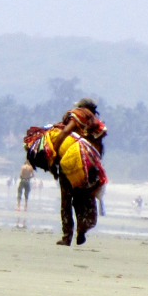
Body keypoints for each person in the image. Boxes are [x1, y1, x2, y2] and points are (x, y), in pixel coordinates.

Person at [47, 98, 107, 246]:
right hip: (89, 166)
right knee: (84, 199)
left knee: (66, 200)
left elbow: (66, 131)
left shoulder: (77, 115)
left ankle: (67, 236)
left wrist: (53, 153)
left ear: (81, 107)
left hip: (71, 163)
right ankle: (82, 230)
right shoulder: (96, 124)